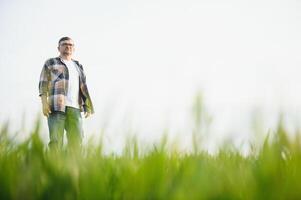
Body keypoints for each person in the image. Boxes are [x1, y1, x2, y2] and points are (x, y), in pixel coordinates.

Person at [38, 36, 94, 150]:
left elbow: (83, 87)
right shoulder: (50, 62)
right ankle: (54, 166)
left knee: (77, 140)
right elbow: (43, 84)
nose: (68, 46)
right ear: (58, 48)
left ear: (74, 48)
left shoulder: (78, 66)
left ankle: (73, 166)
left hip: (75, 108)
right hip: (56, 106)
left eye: (70, 45)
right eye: (64, 44)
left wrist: (88, 105)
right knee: (56, 140)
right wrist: (44, 103)